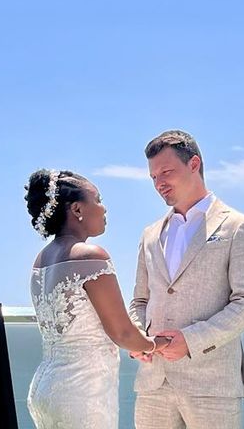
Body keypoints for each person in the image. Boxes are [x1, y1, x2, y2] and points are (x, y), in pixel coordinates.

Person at [129, 129, 244, 429]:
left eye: (166, 171)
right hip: (152, 384)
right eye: (153, 177)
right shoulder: (149, 234)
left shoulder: (240, 227)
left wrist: (191, 340)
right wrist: (136, 336)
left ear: (194, 164)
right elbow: (140, 301)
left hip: (212, 386)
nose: (159, 183)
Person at [25, 169, 169, 429]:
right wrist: (155, 344)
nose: (104, 208)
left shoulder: (42, 259)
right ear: (77, 209)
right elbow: (122, 333)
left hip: (45, 388)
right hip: (80, 394)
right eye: (98, 199)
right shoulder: (89, 256)